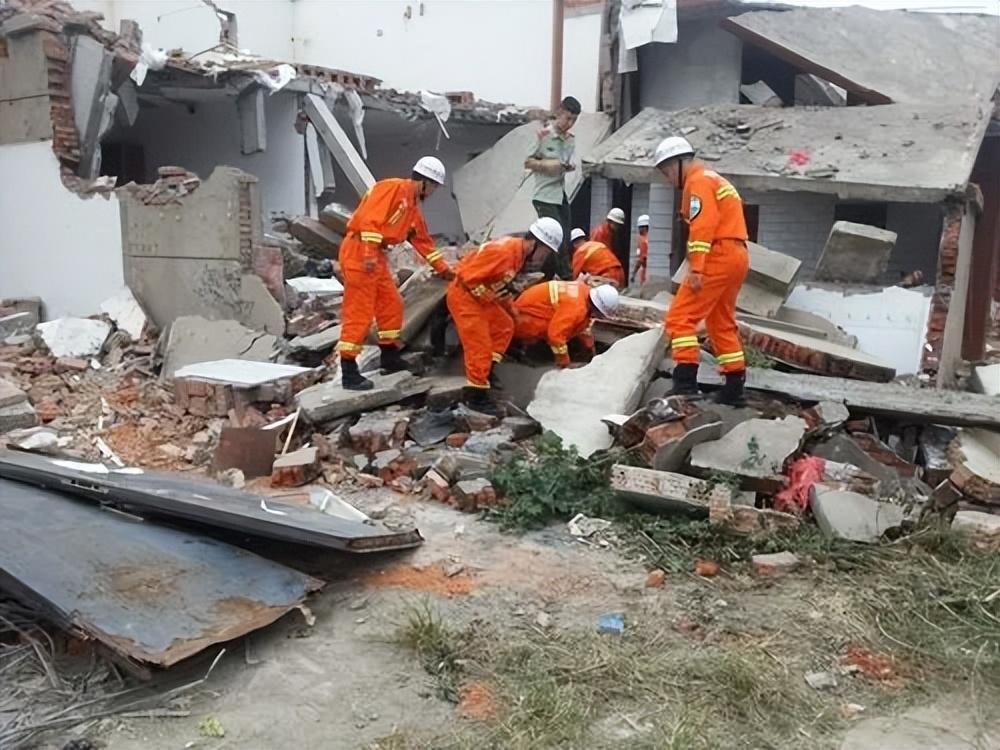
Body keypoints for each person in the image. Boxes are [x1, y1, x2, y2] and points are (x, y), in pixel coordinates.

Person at [337, 156, 454, 391]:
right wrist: (369, 255)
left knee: (392, 304)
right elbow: (370, 220)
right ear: (425, 182)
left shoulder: (411, 206)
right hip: (360, 252)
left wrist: (445, 270)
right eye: (434, 187)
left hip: (376, 255)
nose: (433, 192)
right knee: (359, 311)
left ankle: (389, 356)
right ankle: (348, 370)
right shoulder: (391, 188)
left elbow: (423, 242)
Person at [653, 136, 750, 405]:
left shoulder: (698, 181)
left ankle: (685, 384)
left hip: (717, 255)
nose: (669, 178)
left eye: (667, 171)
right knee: (721, 321)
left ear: (678, 163)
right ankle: (734, 388)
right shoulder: (715, 179)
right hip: (737, 254)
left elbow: (703, 226)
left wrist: (696, 268)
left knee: (679, 317)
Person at [447, 218, 563, 413]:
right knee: (479, 344)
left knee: (505, 325)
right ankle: (475, 396)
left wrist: (511, 309)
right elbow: (466, 277)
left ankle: (487, 370)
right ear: (536, 243)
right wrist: (486, 298)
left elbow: (498, 285)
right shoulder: (504, 253)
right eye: (546, 252)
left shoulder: (516, 255)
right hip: (465, 297)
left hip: (480, 297)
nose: (545, 257)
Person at [525, 96, 581, 267]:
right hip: (544, 195)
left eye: (574, 120)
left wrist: (568, 166)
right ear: (559, 113)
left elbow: (569, 162)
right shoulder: (543, 135)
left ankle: (551, 273)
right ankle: (564, 276)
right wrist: (550, 165)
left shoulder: (570, 140)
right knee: (551, 237)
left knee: (565, 236)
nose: (570, 123)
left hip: (559, 194)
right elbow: (528, 162)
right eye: (568, 118)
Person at [513, 279, 618, 367]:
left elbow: (582, 326)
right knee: (556, 337)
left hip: (527, 307)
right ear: (597, 308)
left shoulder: (583, 291)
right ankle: (526, 350)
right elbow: (555, 336)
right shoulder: (576, 308)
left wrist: (590, 349)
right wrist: (564, 363)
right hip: (524, 318)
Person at [631, 214, 650, 285]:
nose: (638, 230)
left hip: (645, 272)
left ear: (644, 228)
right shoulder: (650, 239)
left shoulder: (643, 240)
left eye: (639, 227)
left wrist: (633, 273)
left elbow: (641, 259)